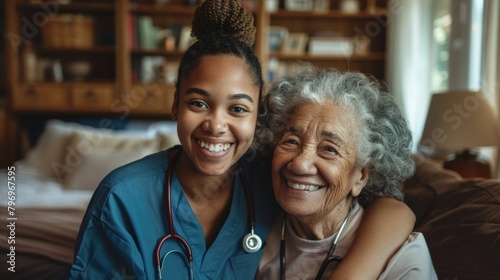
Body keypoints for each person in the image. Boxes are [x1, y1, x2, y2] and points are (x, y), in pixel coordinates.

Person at [69, 0, 415, 279]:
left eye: (237, 109)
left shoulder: (271, 179)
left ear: (256, 118)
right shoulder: (122, 198)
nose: (217, 125)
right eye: (198, 103)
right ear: (175, 104)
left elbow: (392, 210)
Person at [256, 67, 438, 280]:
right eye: (291, 141)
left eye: (329, 149)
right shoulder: (250, 233)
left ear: (361, 177)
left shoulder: (402, 257)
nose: (300, 164)